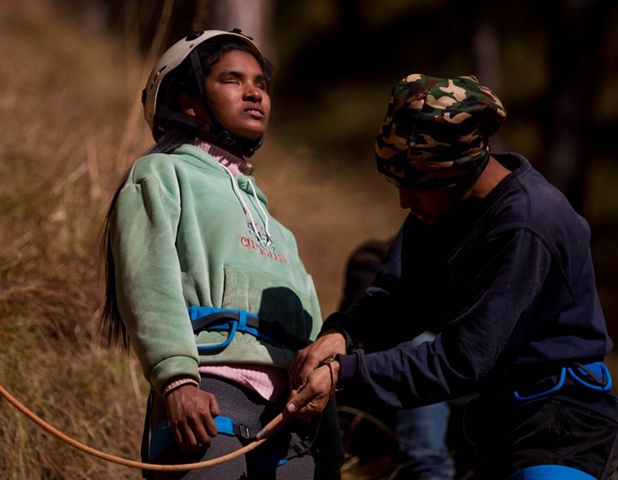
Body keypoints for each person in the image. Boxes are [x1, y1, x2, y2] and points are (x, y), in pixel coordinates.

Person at [287, 73, 618, 480]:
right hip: (493, 424)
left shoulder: (526, 224)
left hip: (560, 430)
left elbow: (461, 359)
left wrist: (346, 372)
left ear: (460, 170)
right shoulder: (441, 204)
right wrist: (343, 334)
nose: (404, 200)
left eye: (414, 186)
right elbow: (398, 298)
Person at [99, 29, 344, 479]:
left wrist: (325, 415)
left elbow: (310, 325)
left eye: (261, 84)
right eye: (233, 80)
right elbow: (147, 282)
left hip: (291, 416)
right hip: (209, 391)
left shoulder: (276, 225)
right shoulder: (159, 174)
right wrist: (176, 381)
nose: (254, 93)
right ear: (190, 102)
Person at [340, 239, 456, 480]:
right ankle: (429, 472)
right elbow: (375, 324)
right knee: (422, 345)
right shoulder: (374, 256)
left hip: (455, 392)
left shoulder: (478, 260)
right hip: (377, 388)